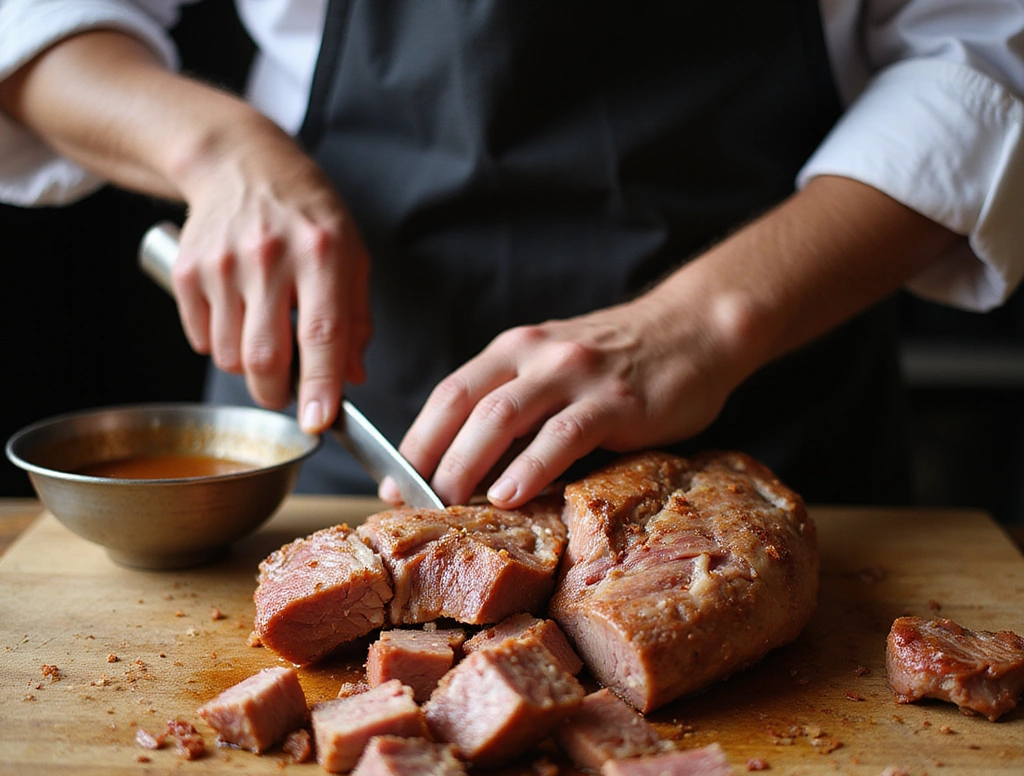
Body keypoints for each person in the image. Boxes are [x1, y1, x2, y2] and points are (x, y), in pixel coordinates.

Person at [1, 1, 1022, 508]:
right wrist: (217, 152)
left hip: (770, 431)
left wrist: (713, 320)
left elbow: (981, 50)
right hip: (333, 431)